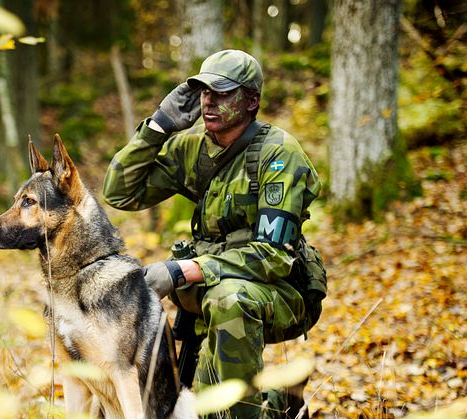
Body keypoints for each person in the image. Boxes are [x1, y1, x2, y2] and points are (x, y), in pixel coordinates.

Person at [102, 49, 322, 418]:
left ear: (251, 101)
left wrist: (184, 270)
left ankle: (271, 406)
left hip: (281, 291)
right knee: (194, 398)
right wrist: (158, 127)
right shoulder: (193, 148)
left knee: (229, 300)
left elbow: (273, 256)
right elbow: (120, 192)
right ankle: (276, 399)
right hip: (210, 286)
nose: (209, 101)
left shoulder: (279, 154)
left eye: (222, 92)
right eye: (204, 91)